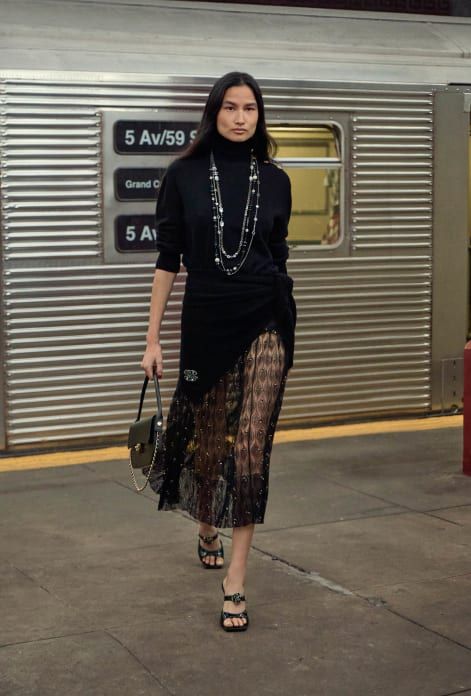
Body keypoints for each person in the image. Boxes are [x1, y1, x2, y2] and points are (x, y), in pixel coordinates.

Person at [140, 71, 296, 632]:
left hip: (266, 315)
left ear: (259, 116)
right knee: (209, 444)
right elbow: (168, 260)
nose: (240, 117)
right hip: (207, 315)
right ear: (214, 113)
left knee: (251, 443)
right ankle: (207, 523)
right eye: (230, 107)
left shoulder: (275, 179)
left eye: (250, 108)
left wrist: (280, 302)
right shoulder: (182, 176)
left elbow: (278, 252)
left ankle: (236, 579)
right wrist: (152, 338)